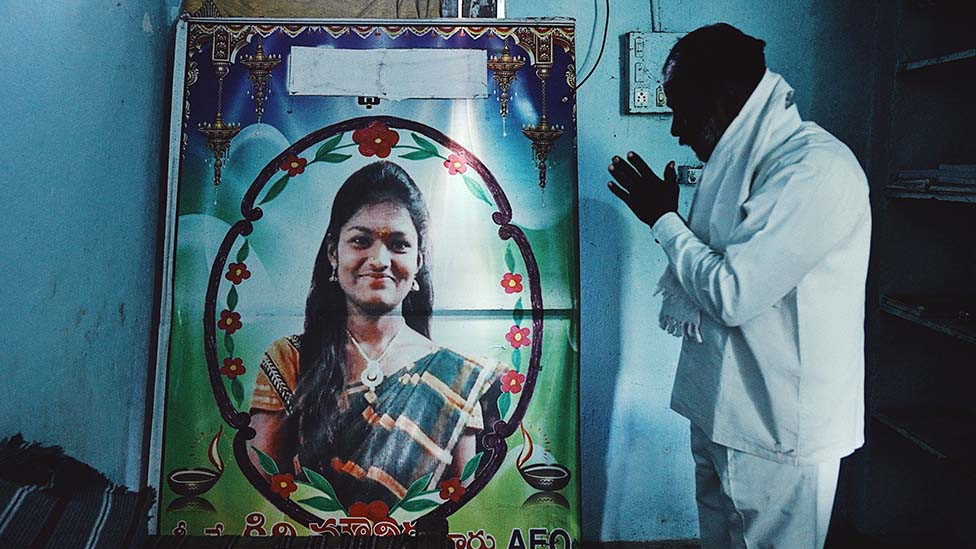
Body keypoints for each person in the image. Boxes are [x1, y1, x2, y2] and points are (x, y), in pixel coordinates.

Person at [607, 24, 871, 549]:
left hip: (777, 432)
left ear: (725, 100)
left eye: (681, 108)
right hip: (721, 413)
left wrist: (665, 221)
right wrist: (670, 218)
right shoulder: (747, 161)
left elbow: (733, 293)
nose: (677, 129)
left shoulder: (813, 169)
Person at [249, 160, 499, 510]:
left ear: (418, 262)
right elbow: (261, 496)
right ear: (333, 253)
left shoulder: (456, 379)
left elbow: (459, 507)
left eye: (398, 244)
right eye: (361, 240)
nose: (379, 259)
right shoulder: (290, 359)